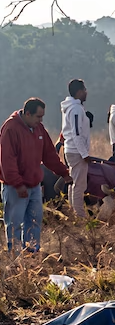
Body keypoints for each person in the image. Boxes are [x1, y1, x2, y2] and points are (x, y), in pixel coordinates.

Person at [1, 99, 71, 252]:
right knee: (14, 225)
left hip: (34, 187)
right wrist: (18, 184)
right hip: (15, 188)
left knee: (34, 223)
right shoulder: (11, 129)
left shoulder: (38, 128)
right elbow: (7, 161)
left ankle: (32, 256)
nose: (41, 120)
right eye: (38, 117)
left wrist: (63, 173)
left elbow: (49, 155)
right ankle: (15, 260)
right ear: (27, 114)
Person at [61, 79, 91, 219]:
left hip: (71, 149)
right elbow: (76, 133)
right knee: (79, 186)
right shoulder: (76, 109)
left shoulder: (73, 107)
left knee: (73, 183)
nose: (86, 92)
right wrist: (84, 153)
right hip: (76, 151)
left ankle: (74, 214)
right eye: (84, 90)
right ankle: (80, 217)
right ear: (79, 92)